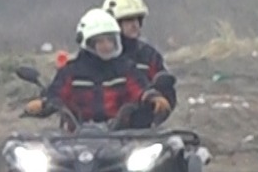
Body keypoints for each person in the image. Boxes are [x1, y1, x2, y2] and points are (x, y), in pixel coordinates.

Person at [26, 8, 170, 127]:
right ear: (88, 43)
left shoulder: (127, 68)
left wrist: (154, 97)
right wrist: (42, 104)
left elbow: (140, 90)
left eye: (110, 40)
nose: (106, 45)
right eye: (100, 41)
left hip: (122, 138)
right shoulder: (71, 72)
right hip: (75, 140)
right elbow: (55, 95)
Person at [103, 0, 175, 104]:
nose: (135, 25)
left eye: (138, 19)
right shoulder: (100, 57)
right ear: (114, 23)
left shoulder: (149, 56)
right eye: (129, 20)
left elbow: (165, 92)